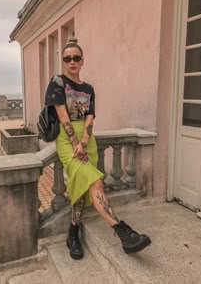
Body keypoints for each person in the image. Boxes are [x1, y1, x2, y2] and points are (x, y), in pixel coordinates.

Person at [45, 39, 151, 260]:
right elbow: (62, 114)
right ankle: (123, 231)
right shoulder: (57, 82)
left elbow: (90, 117)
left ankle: (73, 233)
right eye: (67, 58)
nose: (72, 62)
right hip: (67, 142)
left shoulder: (89, 88)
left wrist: (84, 141)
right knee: (95, 181)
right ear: (63, 62)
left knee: (82, 187)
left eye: (76, 58)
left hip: (87, 141)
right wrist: (76, 143)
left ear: (82, 61)